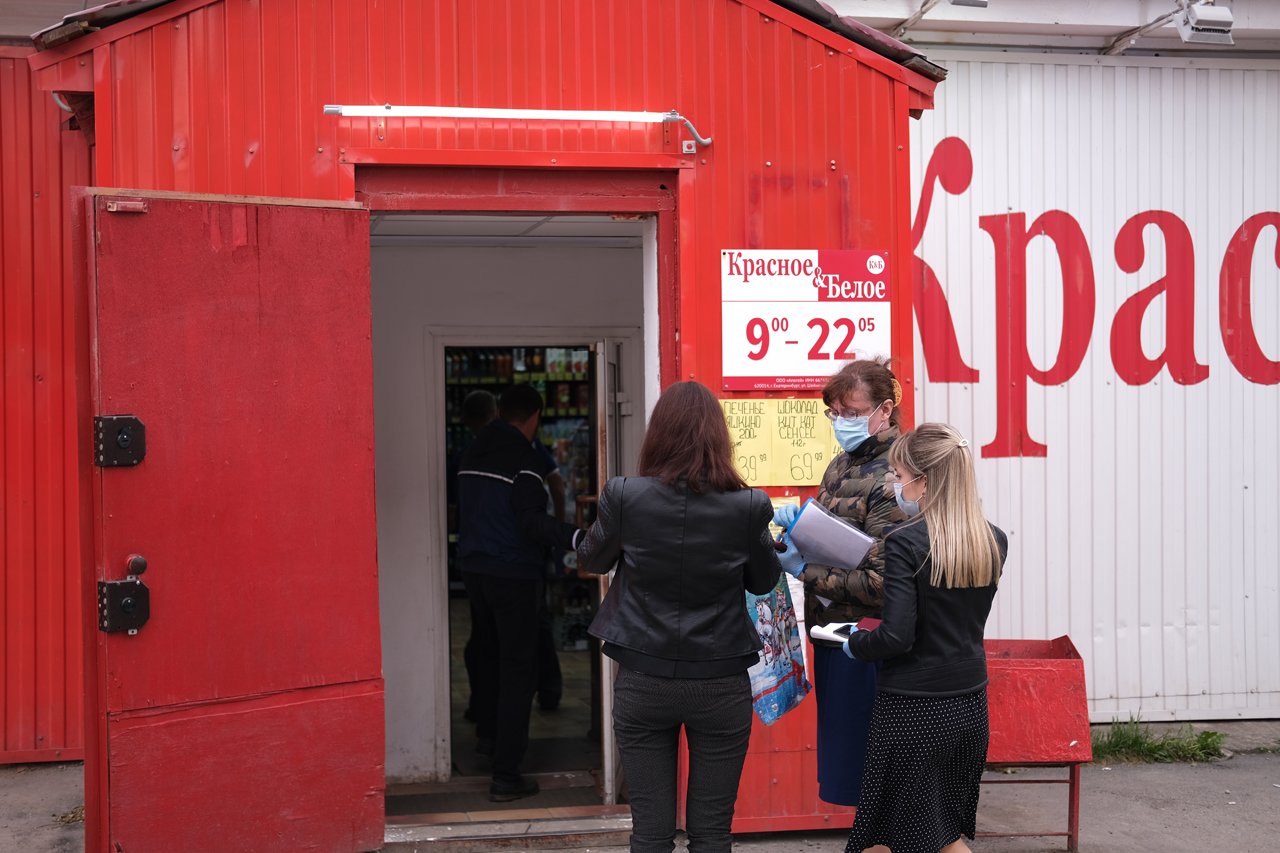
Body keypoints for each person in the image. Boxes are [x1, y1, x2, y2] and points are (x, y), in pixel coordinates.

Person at [576, 381, 783, 853]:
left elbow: (592, 559)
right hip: (720, 682)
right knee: (712, 833)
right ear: (718, 436)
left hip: (643, 677)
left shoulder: (624, 496)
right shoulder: (749, 505)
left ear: (658, 434)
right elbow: (763, 582)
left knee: (650, 833)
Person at [842, 422, 1008, 853]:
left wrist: (853, 643)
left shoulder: (905, 543)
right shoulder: (993, 540)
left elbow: (897, 636)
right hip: (970, 704)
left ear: (925, 481)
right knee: (934, 835)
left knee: (896, 838)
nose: (897, 485)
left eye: (899, 477)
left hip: (913, 710)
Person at [774, 357, 907, 807]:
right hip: (830, 633)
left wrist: (801, 569)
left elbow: (883, 583)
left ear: (884, 410)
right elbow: (837, 542)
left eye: (852, 413)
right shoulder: (841, 464)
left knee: (872, 779)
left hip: (867, 643)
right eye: (836, 414)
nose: (842, 422)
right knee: (849, 777)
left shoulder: (896, 476)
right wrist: (798, 532)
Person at [457, 383, 584, 802]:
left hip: (475, 571)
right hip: (513, 575)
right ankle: (506, 775)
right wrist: (579, 536)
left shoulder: (473, 452)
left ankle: (490, 739)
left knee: (488, 656)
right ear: (534, 417)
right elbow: (532, 522)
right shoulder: (525, 461)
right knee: (517, 672)